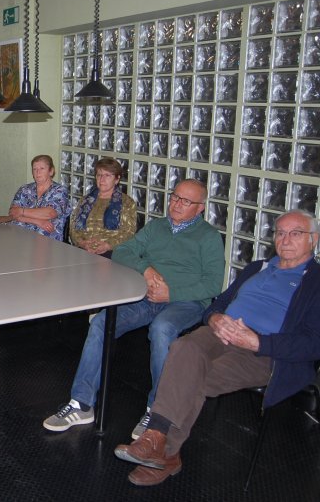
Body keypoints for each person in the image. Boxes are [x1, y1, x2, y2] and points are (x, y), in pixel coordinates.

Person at [113, 210, 320, 487]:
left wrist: (258, 342)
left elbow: (313, 342)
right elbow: (216, 303)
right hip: (219, 333)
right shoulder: (257, 268)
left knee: (190, 376)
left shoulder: (315, 283)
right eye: (280, 232)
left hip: (265, 351)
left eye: (296, 233)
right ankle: (158, 445)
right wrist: (215, 318)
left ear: (314, 239)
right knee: (183, 347)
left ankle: (163, 448)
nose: (285, 239)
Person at [42, 179, 225, 440]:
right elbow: (124, 251)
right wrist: (147, 271)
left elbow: (212, 283)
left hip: (186, 301)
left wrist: (171, 292)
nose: (176, 204)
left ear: (200, 208)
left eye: (186, 201)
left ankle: (158, 411)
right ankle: (81, 403)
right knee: (101, 323)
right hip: (148, 295)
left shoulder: (208, 237)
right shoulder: (157, 227)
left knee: (162, 330)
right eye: (175, 197)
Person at [70, 157, 137, 257]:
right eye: (99, 175)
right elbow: (73, 228)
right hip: (83, 248)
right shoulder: (85, 201)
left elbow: (129, 232)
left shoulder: (127, 203)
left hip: (111, 251)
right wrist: (82, 243)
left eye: (107, 175)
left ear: (117, 179)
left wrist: (107, 245)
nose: (102, 179)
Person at [7, 155, 71, 241]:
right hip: (20, 234)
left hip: (46, 237)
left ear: (51, 171)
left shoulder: (59, 191)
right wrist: (39, 222)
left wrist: (21, 211)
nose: (37, 172)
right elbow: (13, 213)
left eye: (42, 168)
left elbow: (49, 213)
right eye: (34, 169)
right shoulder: (24, 189)